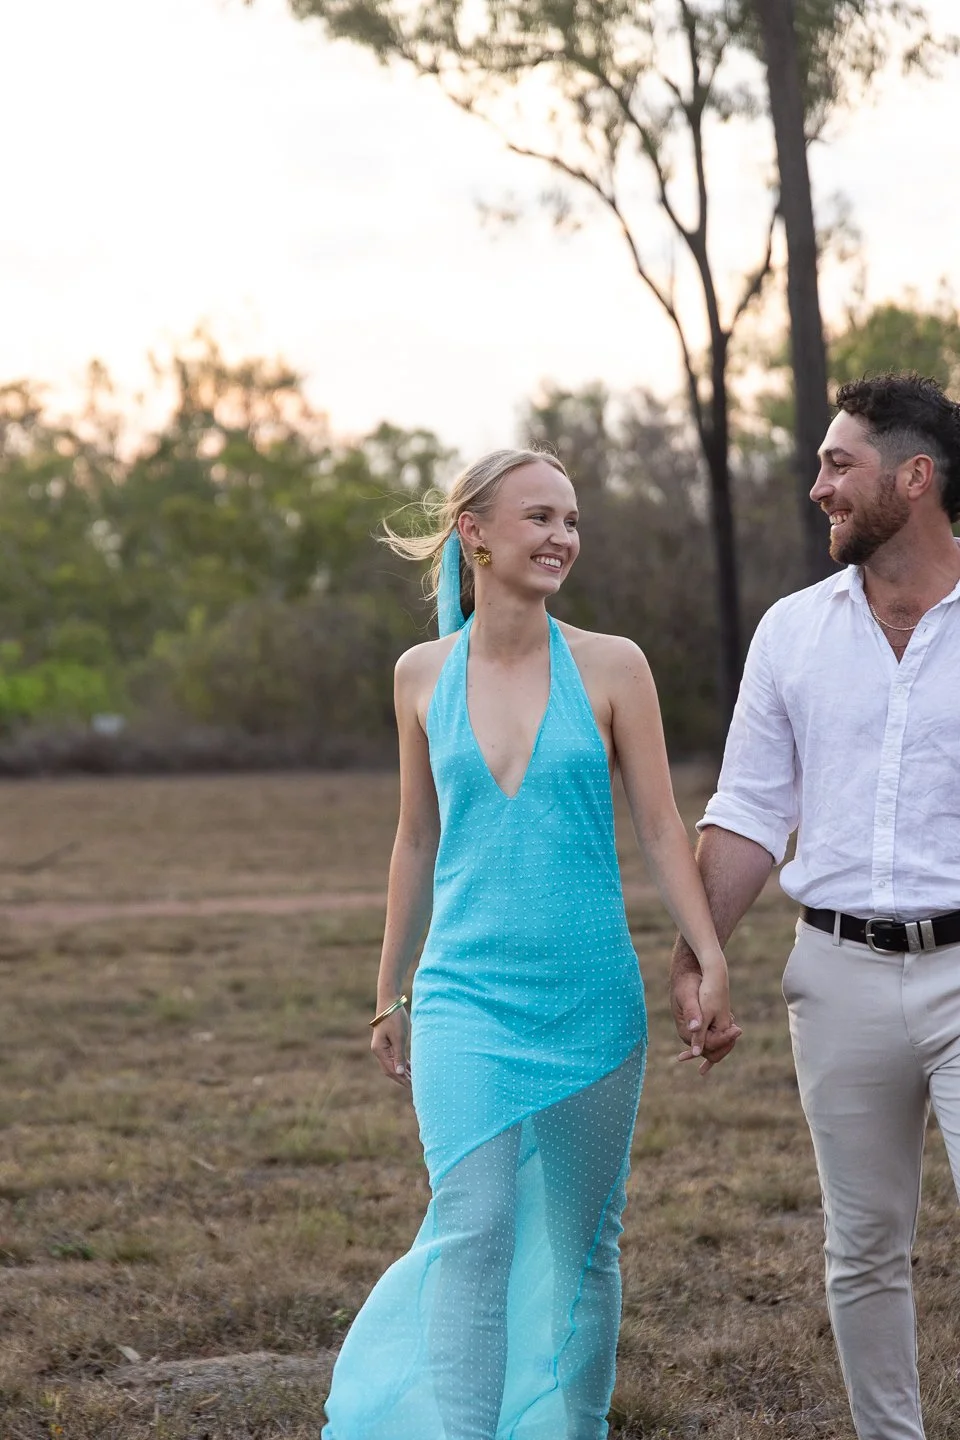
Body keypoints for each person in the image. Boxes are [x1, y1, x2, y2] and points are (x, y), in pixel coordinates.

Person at [322, 448, 734, 1439]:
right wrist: (391, 991)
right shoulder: (419, 675)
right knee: (473, 1233)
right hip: (463, 998)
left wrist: (709, 951)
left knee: (585, 1243)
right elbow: (415, 837)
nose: (562, 539)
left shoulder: (614, 665)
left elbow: (662, 828)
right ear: (475, 533)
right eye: (541, 518)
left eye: (573, 522)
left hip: (592, 1003)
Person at [670, 373, 960, 1440]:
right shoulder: (793, 632)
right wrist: (702, 949)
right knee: (864, 1248)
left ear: (915, 477)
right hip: (833, 976)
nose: (818, 486)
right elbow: (749, 806)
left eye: (840, 464)